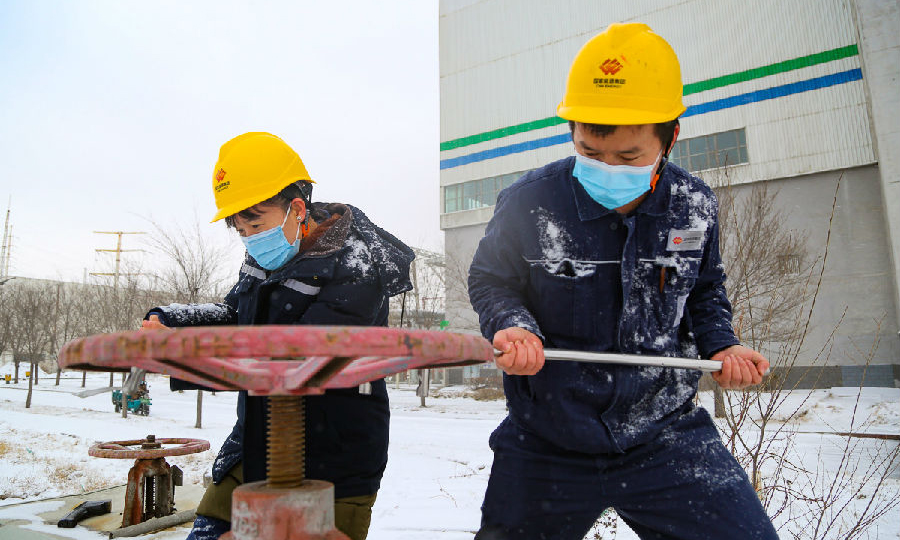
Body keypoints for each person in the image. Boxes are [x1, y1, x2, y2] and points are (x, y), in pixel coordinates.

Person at [467, 23, 778, 540]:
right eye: (590, 153)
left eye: (629, 156)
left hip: (664, 434)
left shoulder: (693, 205)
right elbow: (491, 279)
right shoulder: (529, 201)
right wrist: (513, 325)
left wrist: (723, 344)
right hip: (548, 438)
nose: (608, 167)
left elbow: (704, 289)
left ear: (669, 138)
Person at [141, 132, 415, 540]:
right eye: (240, 229)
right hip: (254, 445)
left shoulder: (359, 266)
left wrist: (190, 358)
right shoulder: (265, 255)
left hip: (336, 459)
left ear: (297, 209)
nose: (250, 238)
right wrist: (173, 322)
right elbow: (235, 315)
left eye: (256, 223)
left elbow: (299, 354)